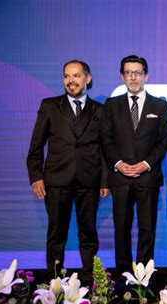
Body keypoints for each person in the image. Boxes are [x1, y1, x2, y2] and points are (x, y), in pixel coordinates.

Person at [27, 60, 109, 285]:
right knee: (56, 235)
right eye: (66, 76)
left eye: (76, 76)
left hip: (89, 180)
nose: (70, 81)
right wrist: (36, 176)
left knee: (89, 234)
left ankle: (90, 280)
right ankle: (55, 283)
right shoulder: (50, 106)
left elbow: (104, 150)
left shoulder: (100, 111)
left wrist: (104, 180)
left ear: (87, 79)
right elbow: (35, 147)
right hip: (56, 180)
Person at [101, 55, 167, 280]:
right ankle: (123, 276)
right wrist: (119, 164)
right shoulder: (111, 105)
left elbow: (163, 142)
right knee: (121, 229)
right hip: (120, 178)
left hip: (147, 177)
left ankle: (143, 278)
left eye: (137, 72)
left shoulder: (160, 105)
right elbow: (106, 140)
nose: (133, 77)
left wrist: (146, 164)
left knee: (147, 230)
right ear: (122, 76)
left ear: (146, 76)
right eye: (128, 72)